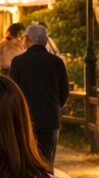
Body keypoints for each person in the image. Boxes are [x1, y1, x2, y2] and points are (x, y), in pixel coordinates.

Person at [10, 23, 70, 164]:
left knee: (26, 161)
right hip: (50, 118)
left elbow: (12, 91)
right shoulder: (56, 63)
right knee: (47, 162)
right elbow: (64, 91)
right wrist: (54, 105)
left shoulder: (18, 62)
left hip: (25, 118)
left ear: (28, 39)